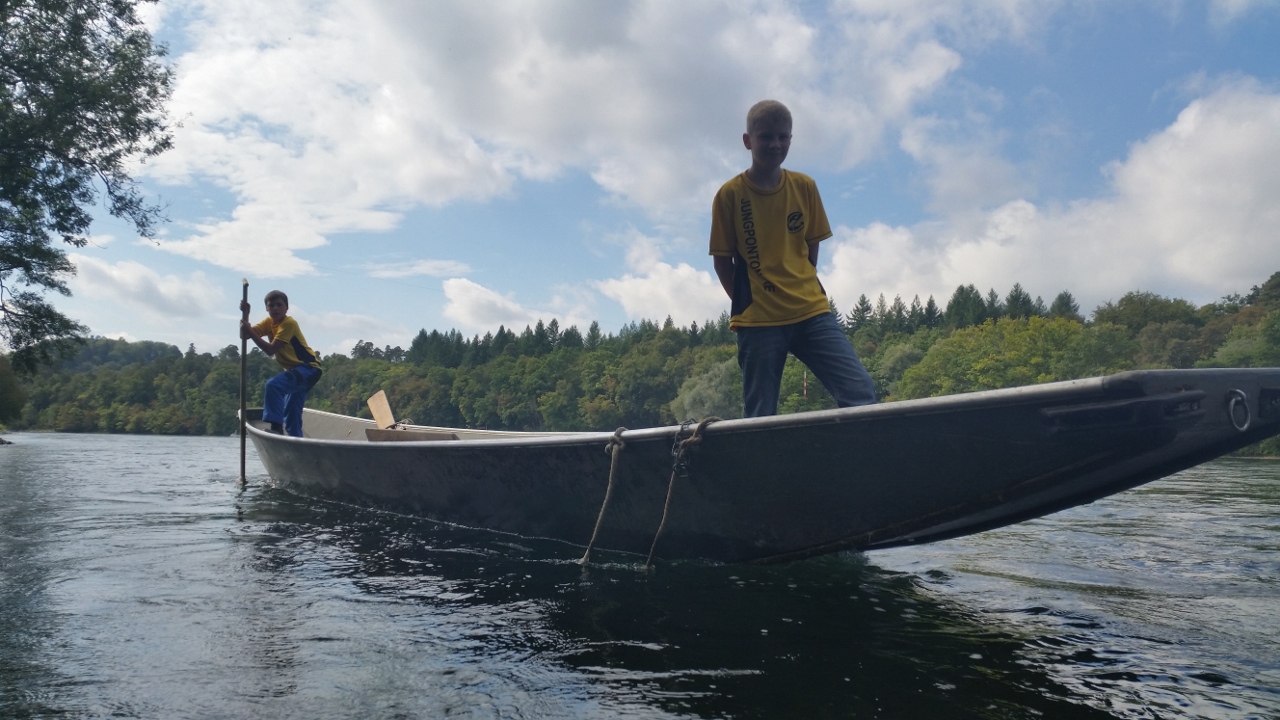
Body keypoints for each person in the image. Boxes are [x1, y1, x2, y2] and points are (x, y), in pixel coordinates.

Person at [709, 100, 876, 417]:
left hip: (811, 312)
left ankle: (857, 450)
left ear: (790, 139)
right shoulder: (729, 195)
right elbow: (722, 263)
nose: (775, 144)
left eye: (782, 137)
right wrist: (754, 300)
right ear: (747, 141)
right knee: (760, 416)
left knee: (860, 393)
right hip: (759, 322)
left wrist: (796, 287)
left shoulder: (804, 187)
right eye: (766, 137)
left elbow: (811, 250)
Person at [240, 290, 322, 436]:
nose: (275, 308)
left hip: (308, 369)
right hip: (295, 372)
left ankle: (276, 427)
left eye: (279, 305)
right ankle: (297, 444)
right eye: (271, 306)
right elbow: (244, 335)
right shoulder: (268, 323)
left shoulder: (289, 323)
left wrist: (249, 330)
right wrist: (246, 314)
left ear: (286, 307)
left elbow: (270, 350)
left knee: (273, 385)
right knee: (292, 415)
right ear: (266, 308)